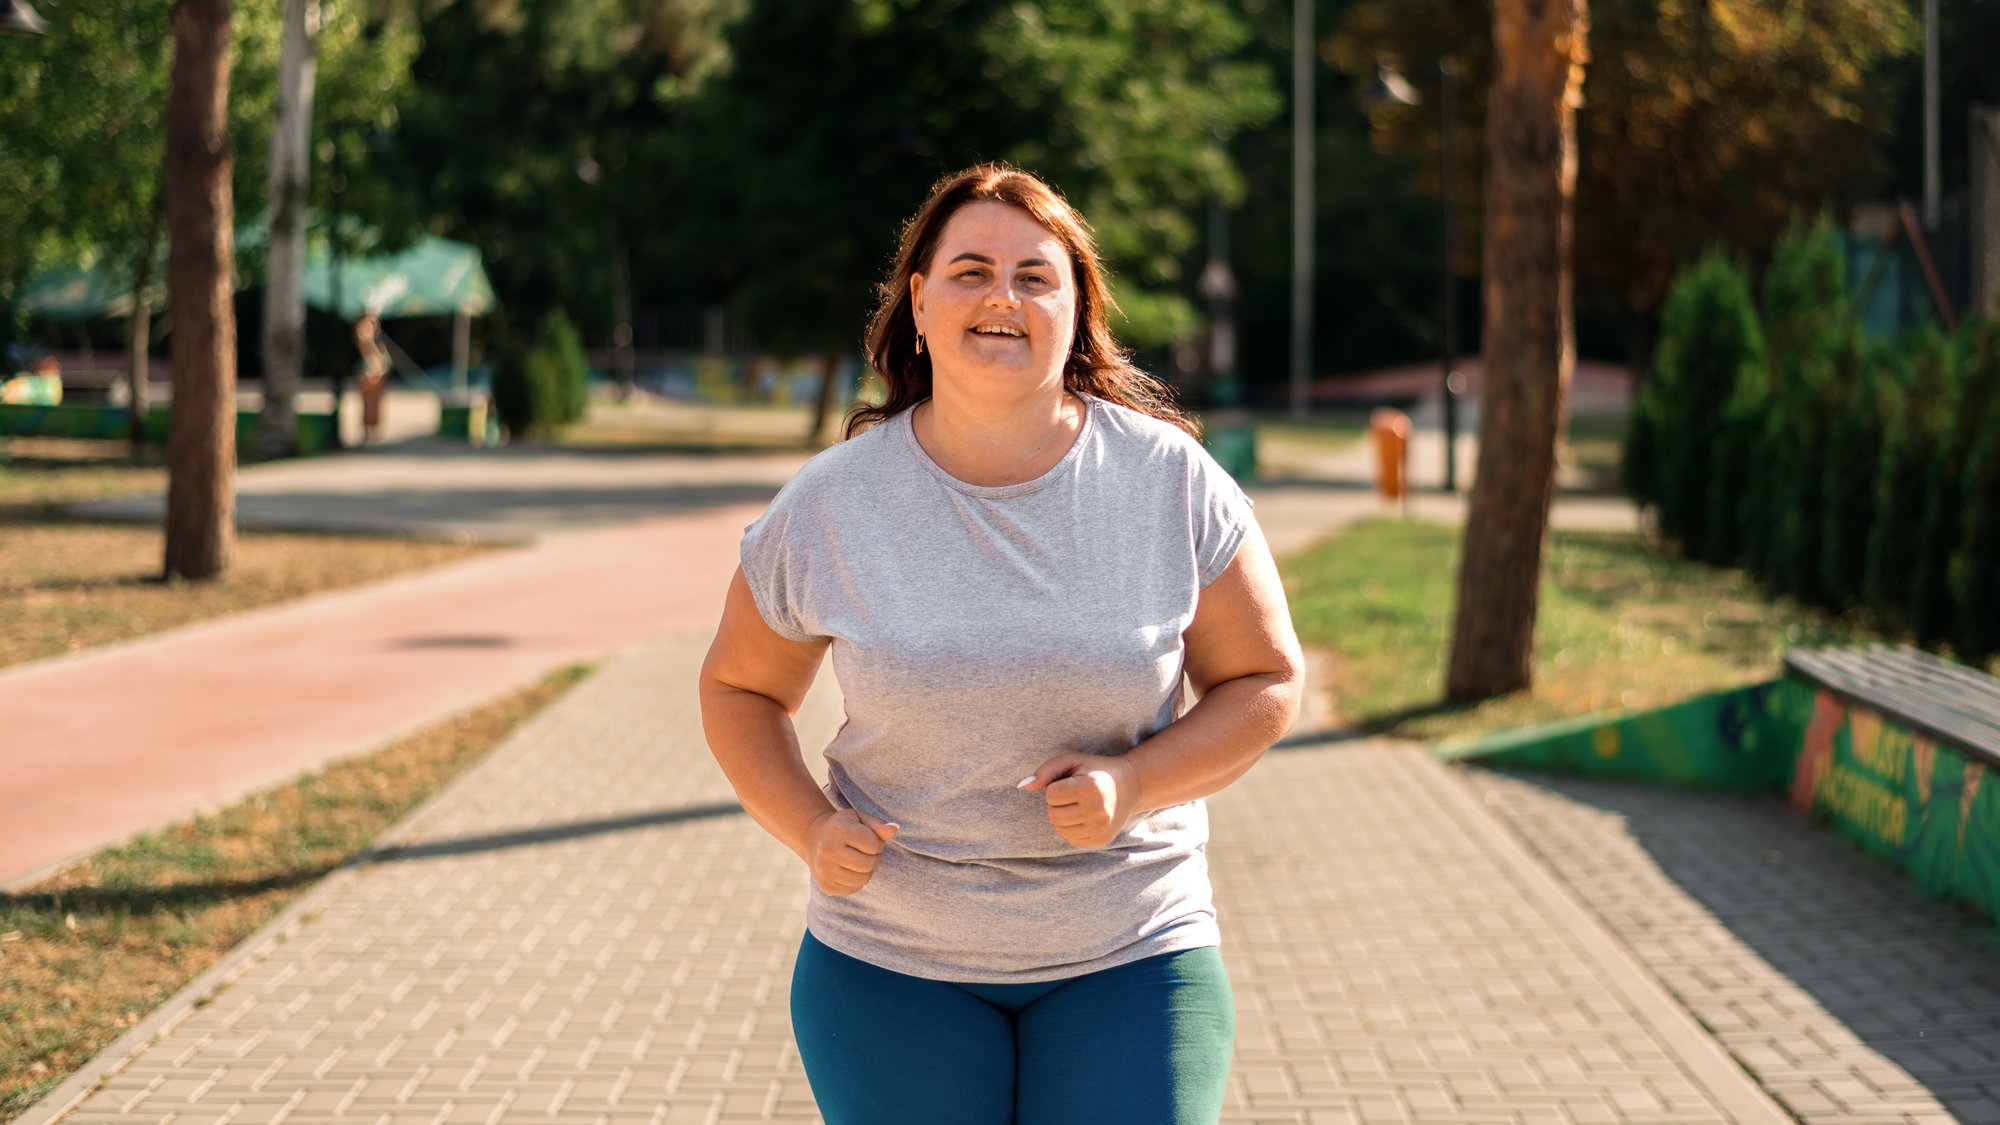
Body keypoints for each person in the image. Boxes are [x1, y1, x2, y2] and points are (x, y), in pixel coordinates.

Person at [698, 164, 1304, 1125]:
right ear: (920, 303)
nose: (1002, 298)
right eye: (971, 271)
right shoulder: (833, 501)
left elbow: (1265, 679)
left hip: (1133, 949)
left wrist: (1134, 782)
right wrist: (809, 827)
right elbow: (740, 689)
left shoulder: (1169, 480)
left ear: (1077, 310)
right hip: (892, 961)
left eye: (1034, 276)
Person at [354, 311, 390, 443]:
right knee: (368, 402)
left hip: (375, 369)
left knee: (375, 402)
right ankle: (367, 431)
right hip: (370, 370)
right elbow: (366, 345)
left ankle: (373, 430)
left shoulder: (372, 331)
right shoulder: (365, 328)